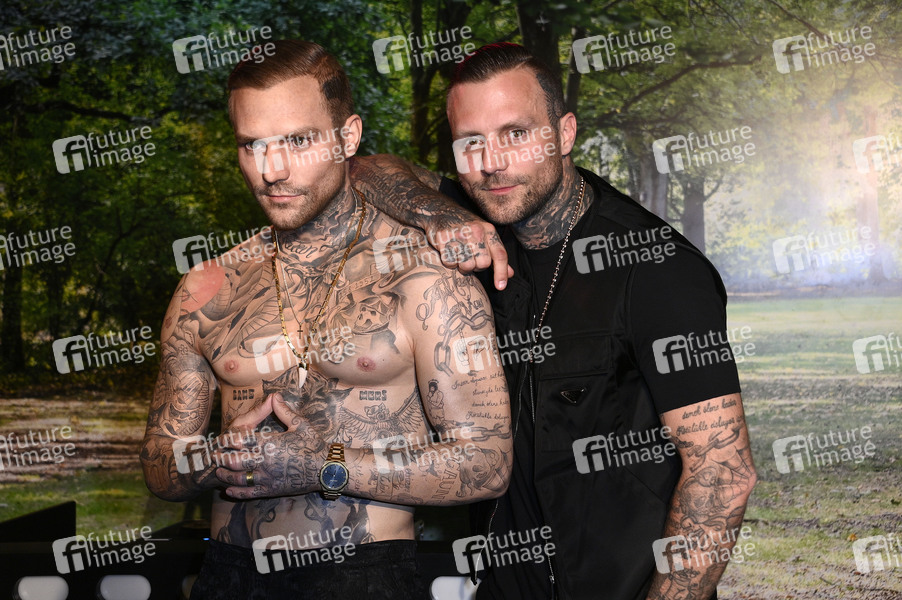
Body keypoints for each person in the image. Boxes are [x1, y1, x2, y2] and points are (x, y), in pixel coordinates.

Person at [353, 42, 758, 600]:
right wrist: (437, 213)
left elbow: (723, 473)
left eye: (515, 134)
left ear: (564, 134)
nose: (491, 162)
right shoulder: (480, 223)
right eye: (470, 141)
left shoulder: (657, 269)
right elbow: (364, 169)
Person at [140, 40, 512, 600]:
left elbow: (487, 461)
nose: (272, 171)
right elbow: (159, 465)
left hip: (366, 575)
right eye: (252, 145)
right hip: (229, 576)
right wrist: (217, 459)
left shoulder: (425, 275)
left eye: (298, 140)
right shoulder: (207, 287)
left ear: (348, 137)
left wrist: (324, 465)